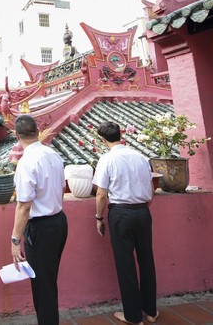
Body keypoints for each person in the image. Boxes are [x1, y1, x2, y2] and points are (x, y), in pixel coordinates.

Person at [92, 121, 158, 325]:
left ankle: (133, 316)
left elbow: (101, 193)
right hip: (143, 212)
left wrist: (99, 217)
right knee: (147, 260)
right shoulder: (140, 157)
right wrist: (143, 207)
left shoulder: (107, 159)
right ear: (120, 135)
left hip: (120, 214)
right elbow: (150, 187)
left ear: (103, 140)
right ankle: (151, 311)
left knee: (125, 264)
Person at [10, 114, 68, 325]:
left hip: (41, 228)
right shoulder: (53, 155)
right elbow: (61, 189)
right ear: (37, 131)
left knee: (43, 284)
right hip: (59, 221)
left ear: (16, 135)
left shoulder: (26, 162)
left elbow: (24, 205)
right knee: (48, 280)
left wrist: (15, 240)